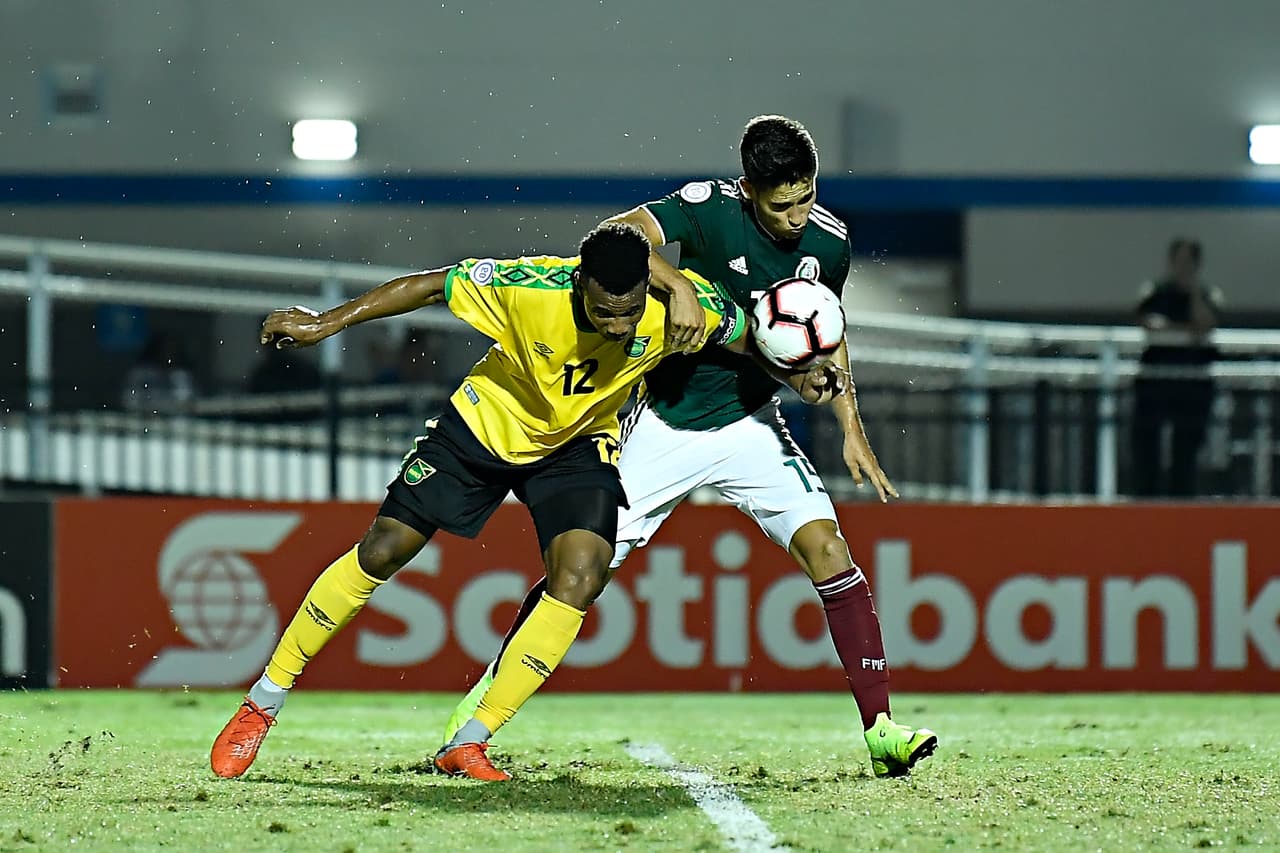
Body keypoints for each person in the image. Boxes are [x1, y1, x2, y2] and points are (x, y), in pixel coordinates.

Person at [209, 222, 843, 782]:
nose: (620, 325)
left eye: (629, 313)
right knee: (383, 549)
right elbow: (431, 285)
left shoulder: (679, 308)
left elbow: (746, 337)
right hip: (484, 427)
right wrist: (328, 323)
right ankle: (263, 701)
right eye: (605, 312)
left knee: (582, 574)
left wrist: (799, 373)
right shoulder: (530, 287)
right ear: (580, 285)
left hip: (576, 444)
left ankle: (471, 738)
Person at [443, 116, 938, 780]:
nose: (797, 215)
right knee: (580, 575)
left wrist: (851, 421)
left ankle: (882, 730)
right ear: (749, 190)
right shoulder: (707, 208)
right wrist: (675, 284)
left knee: (830, 550)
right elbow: (612, 238)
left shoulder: (830, 241)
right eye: (781, 203)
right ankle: (476, 712)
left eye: (807, 196)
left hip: (753, 425)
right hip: (664, 422)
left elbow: (825, 325)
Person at [1132, 237, 1223, 497]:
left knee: (1186, 451)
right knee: (1146, 448)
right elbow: (1147, 323)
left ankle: (1183, 504)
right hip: (1155, 384)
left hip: (1192, 388)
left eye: (1189, 261)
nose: (1183, 266)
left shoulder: (1208, 294)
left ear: (1197, 264)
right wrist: (1186, 331)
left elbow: (1205, 324)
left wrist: (1192, 294)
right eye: (1179, 260)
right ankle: (1145, 505)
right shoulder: (1155, 291)